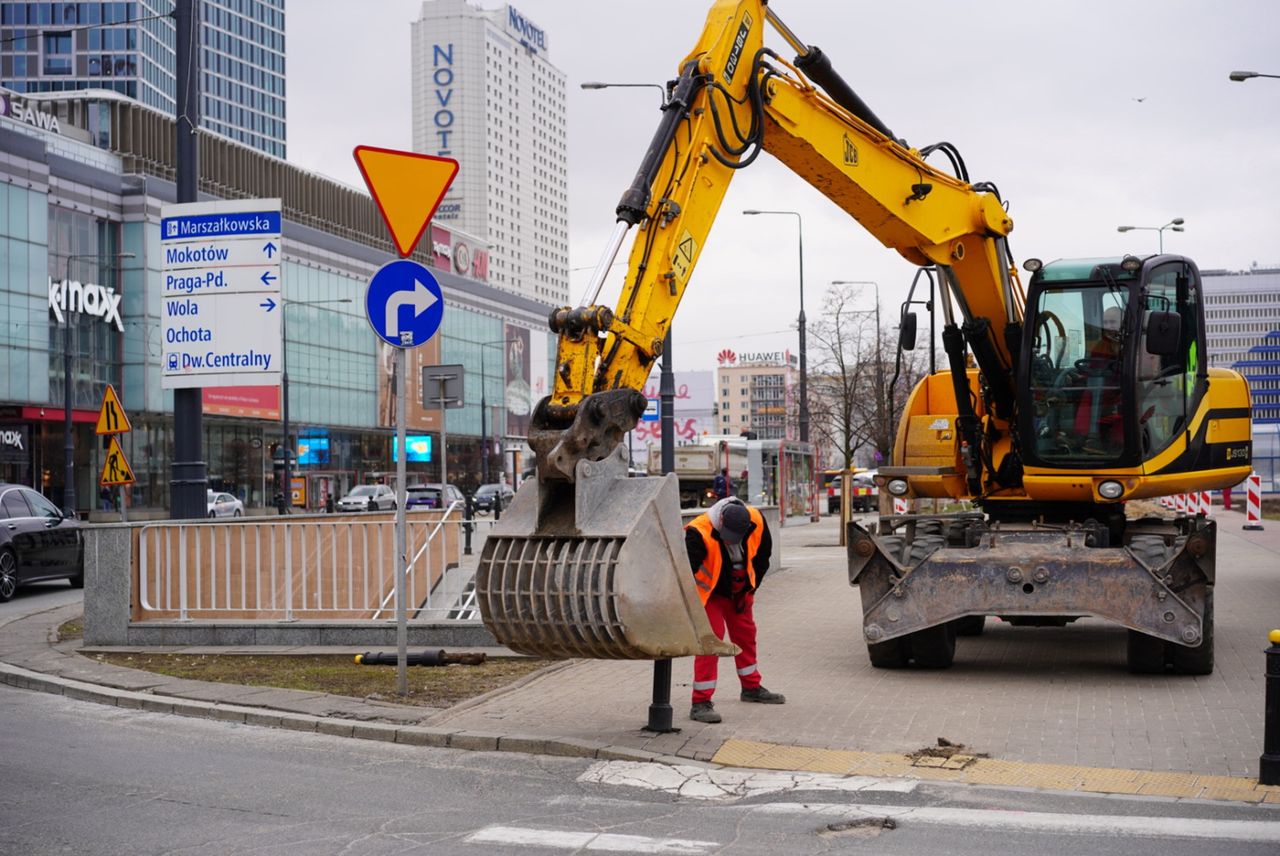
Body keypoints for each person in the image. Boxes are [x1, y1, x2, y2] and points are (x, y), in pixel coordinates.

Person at [685, 497, 785, 724]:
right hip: (710, 595)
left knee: (746, 636)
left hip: (740, 590)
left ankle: (751, 688)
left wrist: (751, 588)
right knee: (711, 641)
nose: (731, 542)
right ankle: (700, 702)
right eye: (727, 536)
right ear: (720, 520)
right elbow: (687, 571)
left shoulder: (757, 521)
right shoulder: (697, 532)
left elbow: (762, 558)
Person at [1073, 305, 1124, 451]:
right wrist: (1080, 376)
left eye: (1112, 322)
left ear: (1123, 322)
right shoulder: (1100, 346)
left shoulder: (1129, 346)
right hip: (1101, 389)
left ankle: (1116, 441)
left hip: (1120, 389)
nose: (1109, 326)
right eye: (1106, 322)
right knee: (1087, 395)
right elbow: (1092, 367)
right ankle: (1083, 437)